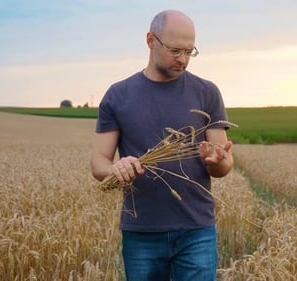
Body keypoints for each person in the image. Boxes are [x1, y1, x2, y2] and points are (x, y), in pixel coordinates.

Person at [90, 9, 234, 281]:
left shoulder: (207, 92)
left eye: (190, 52)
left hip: (197, 230)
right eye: (175, 50)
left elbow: (222, 164)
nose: (183, 59)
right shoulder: (118, 95)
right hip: (141, 232)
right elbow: (99, 162)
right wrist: (116, 168)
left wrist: (221, 162)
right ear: (150, 40)